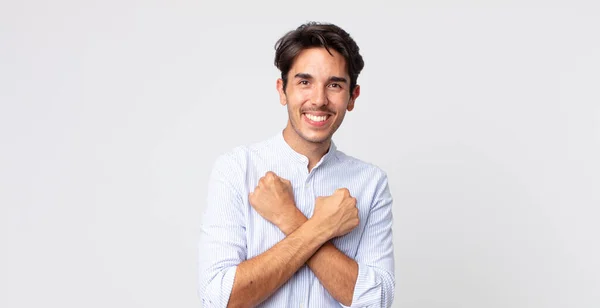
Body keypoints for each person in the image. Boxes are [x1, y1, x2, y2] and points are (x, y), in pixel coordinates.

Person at [198, 22, 395, 308]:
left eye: (335, 85)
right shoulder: (236, 170)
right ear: (282, 90)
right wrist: (321, 227)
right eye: (305, 82)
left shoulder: (371, 183)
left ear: (352, 97)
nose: (318, 100)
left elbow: (376, 301)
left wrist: (289, 218)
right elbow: (219, 298)